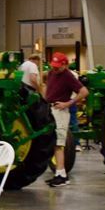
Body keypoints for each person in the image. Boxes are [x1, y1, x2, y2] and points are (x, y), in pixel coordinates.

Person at [43, 51, 85, 186]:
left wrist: (68, 103)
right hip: (50, 109)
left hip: (60, 111)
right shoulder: (51, 73)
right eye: (53, 66)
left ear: (65, 65)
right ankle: (59, 173)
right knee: (53, 142)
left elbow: (84, 91)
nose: (55, 68)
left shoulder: (68, 76)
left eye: (58, 66)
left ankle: (62, 175)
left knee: (59, 143)